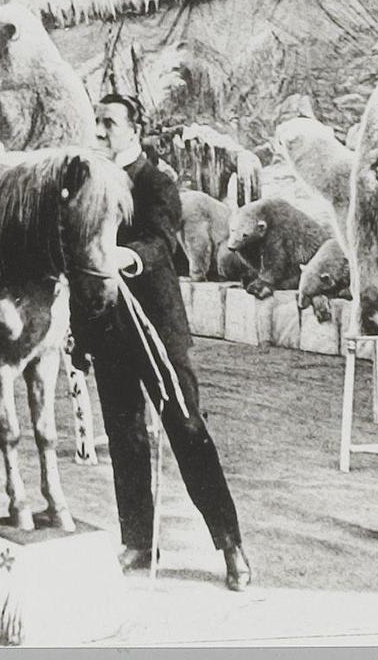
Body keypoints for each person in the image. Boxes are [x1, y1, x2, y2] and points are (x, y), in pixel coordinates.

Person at [71, 93, 252, 592]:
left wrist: (122, 257)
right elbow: (78, 263)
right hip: (109, 332)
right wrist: (80, 335)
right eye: (96, 122)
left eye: (110, 122)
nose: (100, 131)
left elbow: (160, 241)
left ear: (135, 129)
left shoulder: (157, 182)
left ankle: (230, 545)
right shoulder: (86, 185)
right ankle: (138, 541)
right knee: (125, 439)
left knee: (188, 430)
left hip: (156, 329)